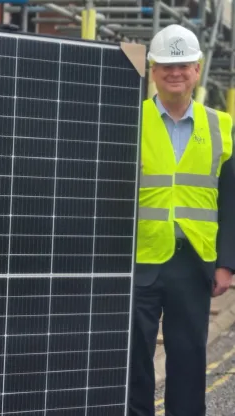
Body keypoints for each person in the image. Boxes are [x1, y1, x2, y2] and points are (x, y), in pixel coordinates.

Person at [129, 24, 235, 416]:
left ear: (197, 69)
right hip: (138, 259)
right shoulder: (129, 119)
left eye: (184, 65)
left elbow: (232, 200)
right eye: (166, 65)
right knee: (133, 360)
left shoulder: (223, 126)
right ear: (152, 70)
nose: (175, 73)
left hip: (194, 262)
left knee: (189, 360)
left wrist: (226, 263)